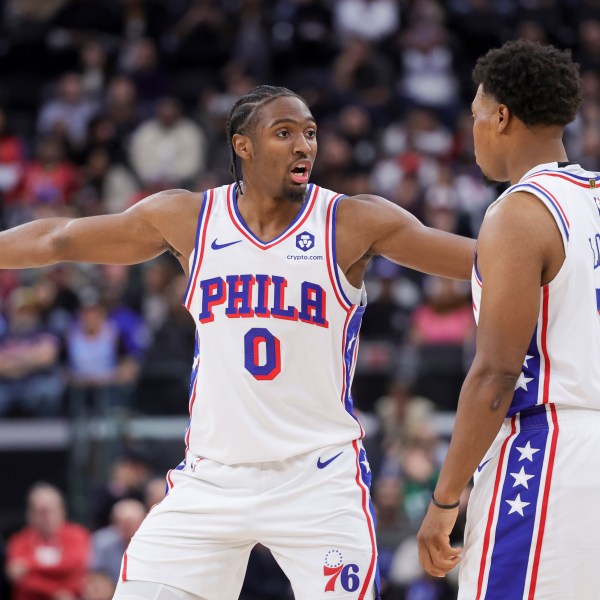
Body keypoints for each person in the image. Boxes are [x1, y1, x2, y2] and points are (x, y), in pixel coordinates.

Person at [0, 85, 474, 600]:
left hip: (318, 480)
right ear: (242, 145)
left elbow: (483, 260)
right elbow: (60, 239)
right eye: (285, 132)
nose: (304, 146)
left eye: (310, 133)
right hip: (212, 478)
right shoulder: (190, 218)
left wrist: (555, 249)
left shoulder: (350, 221)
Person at [416, 40, 600, 599]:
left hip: (550, 453)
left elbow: (495, 374)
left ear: (500, 117)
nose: (471, 130)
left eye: (474, 115)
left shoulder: (521, 211)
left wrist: (445, 501)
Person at [5, 482, 91, 600]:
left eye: (50, 511)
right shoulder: (19, 540)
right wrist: (54, 592)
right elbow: (18, 578)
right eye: (41, 512)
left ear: (62, 510)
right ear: (29, 513)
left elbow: (76, 568)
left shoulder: (78, 535)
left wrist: (28, 564)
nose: (47, 518)